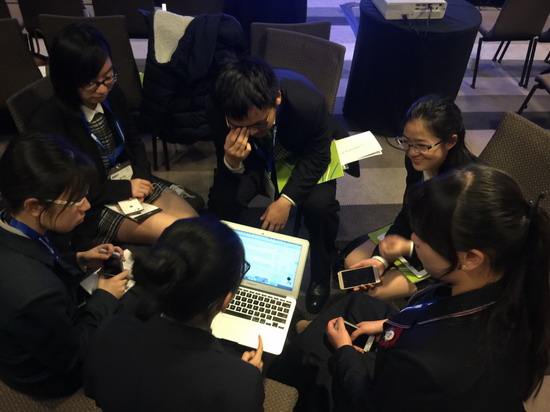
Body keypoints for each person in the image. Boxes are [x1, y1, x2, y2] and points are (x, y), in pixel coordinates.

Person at [269, 164, 550, 411]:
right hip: (418, 350)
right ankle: (307, 330)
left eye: (425, 238)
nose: (412, 239)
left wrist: (344, 352)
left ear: (470, 258)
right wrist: (388, 325)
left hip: (393, 387)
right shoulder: (517, 275)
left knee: (309, 353)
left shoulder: (427, 362)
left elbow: (366, 404)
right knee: (356, 304)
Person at [30, 23, 201, 251]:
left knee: (195, 225)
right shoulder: (50, 123)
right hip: (91, 205)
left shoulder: (113, 94)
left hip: (131, 182)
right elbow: (69, 189)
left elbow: (135, 143)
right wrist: (125, 189)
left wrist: (141, 181)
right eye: (91, 83)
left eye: (108, 76)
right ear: (68, 82)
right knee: (181, 234)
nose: (102, 89)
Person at [84, 217, 265, 412]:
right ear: (225, 301)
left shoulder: (109, 332)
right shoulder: (241, 383)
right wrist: (244, 376)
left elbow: (96, 392)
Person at [207, 58, 343, 313]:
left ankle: (321, 269)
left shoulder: (308, 103)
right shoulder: (219, 107)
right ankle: (227, 264)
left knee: (320, 206)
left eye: (258, 124)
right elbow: (222, 161)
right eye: (238, 127)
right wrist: (231, 161)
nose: (249, 132)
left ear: (276, 98)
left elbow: (318, 156)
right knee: (221, 205)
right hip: (254, 161)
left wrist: (286, 200)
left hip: (300, 155)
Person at [0, 133, 130, 398]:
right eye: (76, 199)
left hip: (36, 330)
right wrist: (104, 297)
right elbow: (73, 359)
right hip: (48, 375)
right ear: (34, 206)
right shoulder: (35, 292)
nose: (86, 205)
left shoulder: (11, 218)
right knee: (136, 313)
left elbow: (42, 257)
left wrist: (78, 259)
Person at [343, 95, 477, 301]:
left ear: (450, 141)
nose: (412, 152)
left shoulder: (466, 185)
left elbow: (462, 253)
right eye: (406, 141)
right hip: (419, 233)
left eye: (422, 145)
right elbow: (408, 211)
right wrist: (381, 260)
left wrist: (409, 248)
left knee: (373, 292)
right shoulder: (416, 161)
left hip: (448, 257)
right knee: (354, 263)